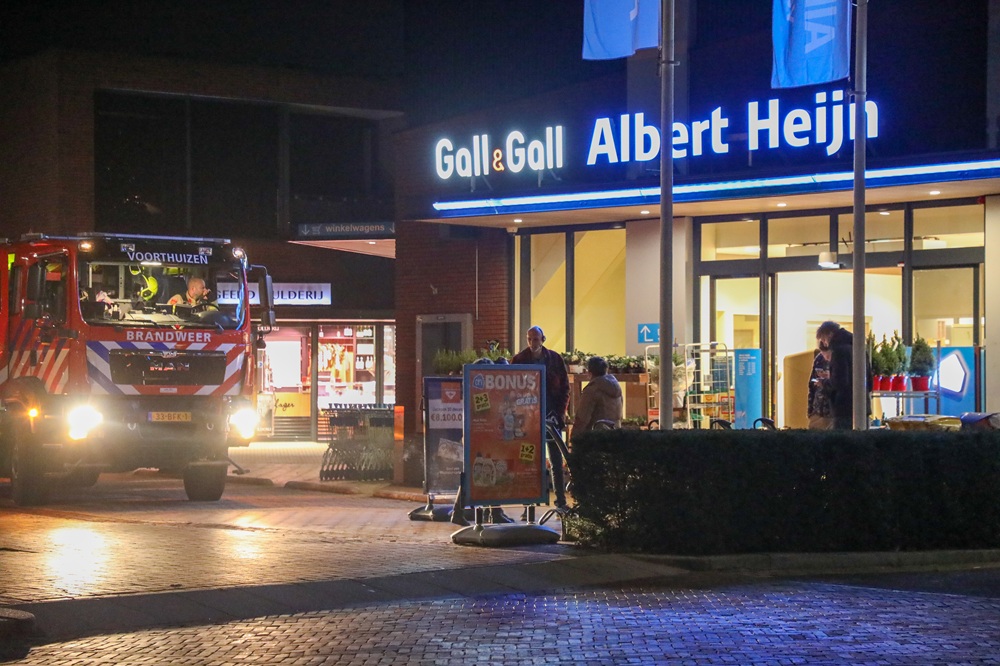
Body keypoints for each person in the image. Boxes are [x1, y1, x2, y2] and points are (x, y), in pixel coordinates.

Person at [511, 325, 570, 509]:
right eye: (529, 339)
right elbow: (512, 389)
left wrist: (560, 413)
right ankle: (528, 504)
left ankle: (560, 500)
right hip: (528, 418)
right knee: (527, 460)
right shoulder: (519, 360)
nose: (532, 343)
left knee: (555, 458)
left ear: (543, 339)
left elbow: (564, 389)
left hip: (551, 415)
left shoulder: (555, 359)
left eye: (535, 339)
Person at [815, 321, 854, 430]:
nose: (825, 344)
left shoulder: (838, 351)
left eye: (823, 340)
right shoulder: (857, 346)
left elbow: (839, 382)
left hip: (844, 407)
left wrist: (824, 382)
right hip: (860, 406)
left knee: (841, 442)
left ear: (829, 334)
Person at [572, 356, 623, 435]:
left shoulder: (592, 390)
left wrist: (574, 437)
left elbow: (582, 418)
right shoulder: (616, 387)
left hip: (597, 437)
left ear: (590, 373)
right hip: (615, 434)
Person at [807, 347, 834, 430]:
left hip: (828, 413)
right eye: (819, 371)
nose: (821, 374)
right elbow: (811, 386)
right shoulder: (819, 358)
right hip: (817, 412)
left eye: (824, 371)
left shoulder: (835, 357)